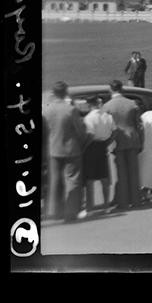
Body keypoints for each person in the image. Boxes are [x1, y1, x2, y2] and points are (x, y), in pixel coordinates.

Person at [43, 81, 93, 222]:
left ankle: (54, 211)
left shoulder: (46, 108)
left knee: (55, 180)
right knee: (72, 180)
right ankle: (70, 213)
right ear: (65, 92)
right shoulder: (70, 109)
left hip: (53, 147)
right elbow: (79, 130)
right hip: (72, 149)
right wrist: (83, 142)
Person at [101, 80, 145, 210]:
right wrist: (141, 140)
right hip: (133, 138)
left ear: (111, 89)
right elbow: (140, 125)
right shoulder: (132, 103)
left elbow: (106, 126)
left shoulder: (107, 106)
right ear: (122, 89)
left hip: (116, 141)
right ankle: (136, 200)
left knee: (121, 173)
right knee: (134, 171)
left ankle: (123, 201)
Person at [82, 95, 117, 214]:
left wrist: (84, 146)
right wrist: (108, 142)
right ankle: (106, 205)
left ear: (89, 104)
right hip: (103, 146)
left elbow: (91, 135)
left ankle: (90, 207)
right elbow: (115, 131)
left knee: (89, 179)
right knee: (104, 177)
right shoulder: (108, 116)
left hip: (91, 147)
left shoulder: (89, 118)